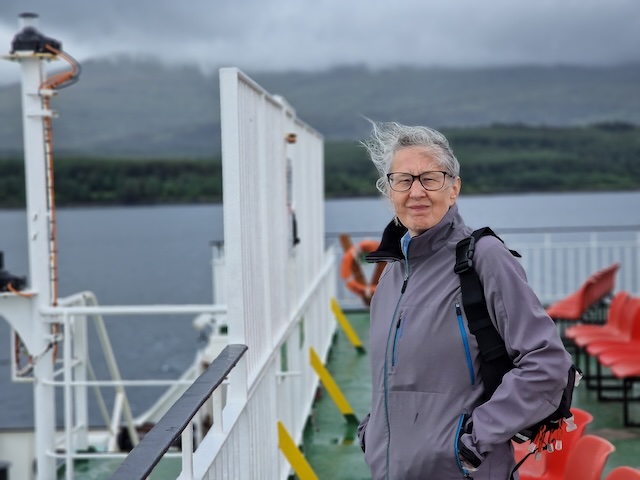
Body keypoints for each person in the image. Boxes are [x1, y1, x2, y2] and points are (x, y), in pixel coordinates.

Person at [356, 121, 572, 479]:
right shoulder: (392, 277)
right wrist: (373, 432)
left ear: (453, 188)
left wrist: (469, 443)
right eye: (403, 180)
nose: (417, 192)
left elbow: (547, 364)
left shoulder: (484, 259)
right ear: (390, 191)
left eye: (431, 178)